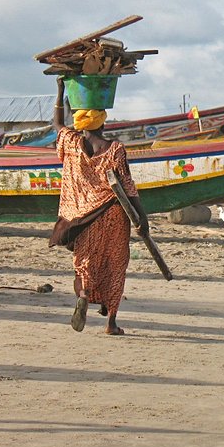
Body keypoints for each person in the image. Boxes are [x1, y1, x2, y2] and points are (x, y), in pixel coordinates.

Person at [48, 77, 149, 335]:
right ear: (102, 121)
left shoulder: (70, 144)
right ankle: (111, 322)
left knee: (85, 263)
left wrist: (61, 91)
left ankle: (83, 294)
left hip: (83, 217)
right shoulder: (114, 149)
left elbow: (57, 123)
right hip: (114, 214)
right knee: (115, 264)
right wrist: (142, 218)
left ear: (80, 123)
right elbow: (127, 186)